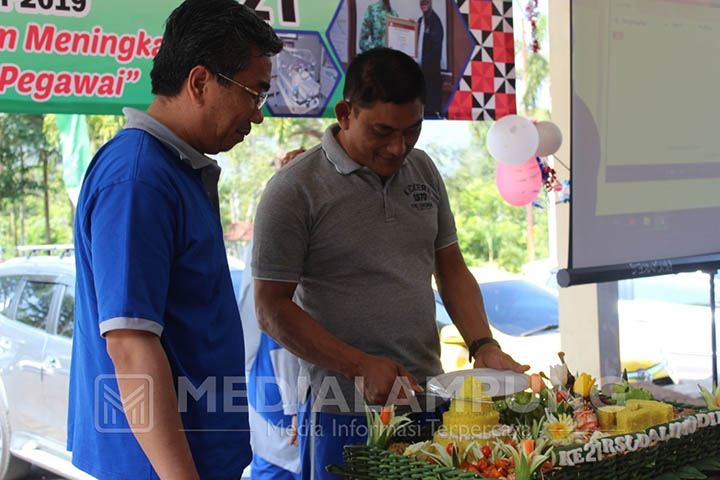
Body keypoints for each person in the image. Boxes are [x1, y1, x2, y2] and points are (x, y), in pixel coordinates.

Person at [251, 48, 529, 480]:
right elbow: (271, 309)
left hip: (433, 404)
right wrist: (358, 365)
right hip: (341, 412)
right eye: (382, 131)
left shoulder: (423, 170)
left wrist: (483, 345)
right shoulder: (293, 190)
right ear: (346, 113)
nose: (397, 148)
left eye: (411, 130)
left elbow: (451, 268)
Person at [67, 1, 283, 479]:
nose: (258, 115)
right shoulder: (138, 179)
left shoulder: (174, 170)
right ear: (201, 82)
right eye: (254, 93)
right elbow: (130, 345)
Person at [239, 148, 306, 480]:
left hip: (270, 388)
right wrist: (295, 407)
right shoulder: (278, 239)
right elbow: (279, 332)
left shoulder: (265, 239)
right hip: (280, 392)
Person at [418, 0, 444, 117]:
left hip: (431, 78)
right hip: (420, 75)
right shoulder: (420, 21)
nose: (423, 3)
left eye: (426, 1)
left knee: (429, 111)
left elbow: (435, 52)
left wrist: (421, 63)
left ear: (431, 2)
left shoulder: (435, 22)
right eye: (421, 1)